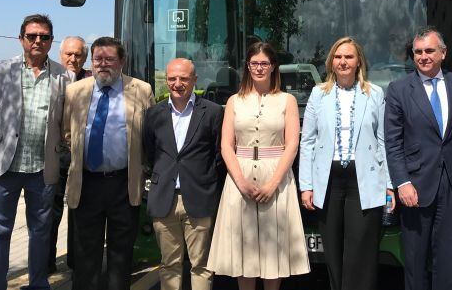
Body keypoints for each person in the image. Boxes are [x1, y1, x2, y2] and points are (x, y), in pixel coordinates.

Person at [0, 14, 72, 290]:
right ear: (21, 39)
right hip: (4, 168)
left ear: (51, 41)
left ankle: (38, 284)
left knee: (41, 233)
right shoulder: (1, 70)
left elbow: (64, 120)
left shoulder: (62, 77)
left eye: (44, 37)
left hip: (43, 169)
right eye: (32, 36)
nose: (38, 41)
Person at [208, 42, 309, 290]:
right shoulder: (234, 101)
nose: (259, 68)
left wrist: (273, 183)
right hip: (239, 176)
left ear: (273, 66)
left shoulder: (287, 101)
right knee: (245, 248)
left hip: (276, 175)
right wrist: (240, 182)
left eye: (264, 63)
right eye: (254, 63)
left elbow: (292, 145)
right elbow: (226, 146)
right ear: (247, 66)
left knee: (273, 249)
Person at [299, 37, 394, 290]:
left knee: (360, 251)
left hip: (363, 179)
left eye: (349, 57)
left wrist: (389, 185)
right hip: (328, 181)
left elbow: (383, 141)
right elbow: (307, 141)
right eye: (338, 57)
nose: (343, 61)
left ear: (358, 61)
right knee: (332, 250)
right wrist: (306, 186)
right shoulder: (319, 94)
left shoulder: (374, 93)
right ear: (331, 61)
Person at [62, 36, 155, 290]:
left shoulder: (141, 90)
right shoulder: (75, 91)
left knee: (120, 255)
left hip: (124, 184)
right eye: (98, 59)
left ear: (121, 61)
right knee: (85, 255)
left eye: (110, 59)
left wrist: (145, 168)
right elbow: (66, 132)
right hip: (87, 183)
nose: (103, 64)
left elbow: (150, 134)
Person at [384, 26, 452, 290]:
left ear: (443, 53)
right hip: (415, 185)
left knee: (447, 257)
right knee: (415, 258)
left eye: (429, 50)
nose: (423, 56)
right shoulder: (399, 89)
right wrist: (402, 183)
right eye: (418, 52)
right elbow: (393, 142)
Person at [142, 58, 223, 290]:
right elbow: (150, 152)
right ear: (166, 81)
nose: (178, 83)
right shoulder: (153, 114)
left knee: (202, 265)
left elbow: (218, 155)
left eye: (184, 78)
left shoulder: (212, 112)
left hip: (199, 198)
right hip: (164, 198)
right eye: (172, 79)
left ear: (194, 80)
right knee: (169, 265)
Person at [48, 35, 89, 274]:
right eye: (68, 54)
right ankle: (47, 262)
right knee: (51, 212)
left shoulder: (91, 80)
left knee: (79, 212)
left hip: (81, 159)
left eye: (78, 54)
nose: (73, 58)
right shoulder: (51, 79)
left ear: (85, 57)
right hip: (54, 157)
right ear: (60, 53)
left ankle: (77, 261)